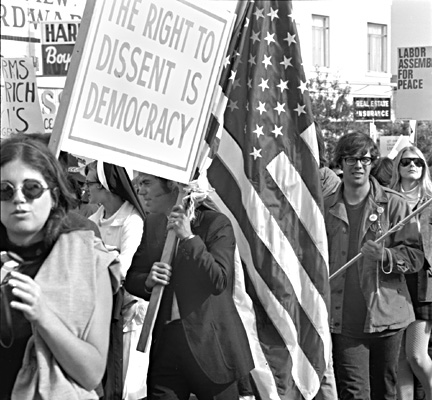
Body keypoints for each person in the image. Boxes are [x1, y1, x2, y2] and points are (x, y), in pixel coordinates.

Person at [0, 136, 116, 400]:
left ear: (53, 196)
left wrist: (42, 314)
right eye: (5, 190)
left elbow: (92, 374)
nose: (18, 198)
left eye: (31, 189)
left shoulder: (89, 259)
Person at [125, 173, 254, 400]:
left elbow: (218, 281)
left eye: (146, 183)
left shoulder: (216, 223)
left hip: (211, 347)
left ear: (173, 185)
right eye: (138, 184)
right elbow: (133, 277)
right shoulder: (153, 223)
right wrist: (148, 280)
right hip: (166, 347)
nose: (139, 191)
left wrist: (188, 238)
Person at [324, 132, 424, 400]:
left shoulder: (395, 204)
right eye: (351, 159)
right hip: (341, 320)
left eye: (365, 159)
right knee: (353, 393)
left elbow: (415, 257)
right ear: (340, 163)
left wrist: (386, 256)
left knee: (385, 392)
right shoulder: (324, 207)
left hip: (387, 318)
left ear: (372, 162)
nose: (358, 165)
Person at [86, 161, 148, 400]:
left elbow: (122, 267)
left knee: (127, 388)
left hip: (128, 315)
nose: (86, 189)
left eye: (90, 184)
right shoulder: (92, 220)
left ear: (105, 187)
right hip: (101, 312)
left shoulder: (132, 220)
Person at [390, 146, 432, 400]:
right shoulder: (387, 200)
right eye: (406, 161)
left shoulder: (430, 199)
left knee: (416, 354)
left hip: (423, 282)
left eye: (417, 161)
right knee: (400, 360)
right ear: (398, 167)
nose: (412, 165)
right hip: (393, 281)